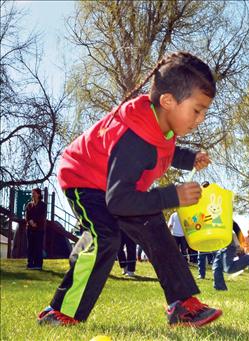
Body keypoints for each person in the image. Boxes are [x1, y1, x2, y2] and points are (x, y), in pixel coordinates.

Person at [37, 52, 222, 327]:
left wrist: (189, 158)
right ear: (168, 101)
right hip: (84, 178)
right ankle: (60, 311)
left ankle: (182, 305)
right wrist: (172, 195)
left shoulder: (161, 125)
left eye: (205, 111)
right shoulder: (134, 140)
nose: (201, 118)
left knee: (155, 227)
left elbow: (164, 150)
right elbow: (119, 201)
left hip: (118, 188)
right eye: (197, 110)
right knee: (106, 237)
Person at [212, 221, 249, 290]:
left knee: (229, 269)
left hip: (228, 244)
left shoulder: (223, 215)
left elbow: (235, 227)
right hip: (220, 245)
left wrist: (242, 243)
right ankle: (220, 287)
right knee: (216, 267)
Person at [25, 188, 47, 270]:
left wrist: (36, 223)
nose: (33, 195)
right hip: (30, 229)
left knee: (38, 246)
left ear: (38, 194)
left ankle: (38, 265)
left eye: (34, 193)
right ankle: (30, 264)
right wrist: (30, 222)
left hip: (39, 229)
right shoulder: (29, 205)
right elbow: (27, 215)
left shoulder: (43, 205)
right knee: (30, 246)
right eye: (32, 193)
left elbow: (42, 216)